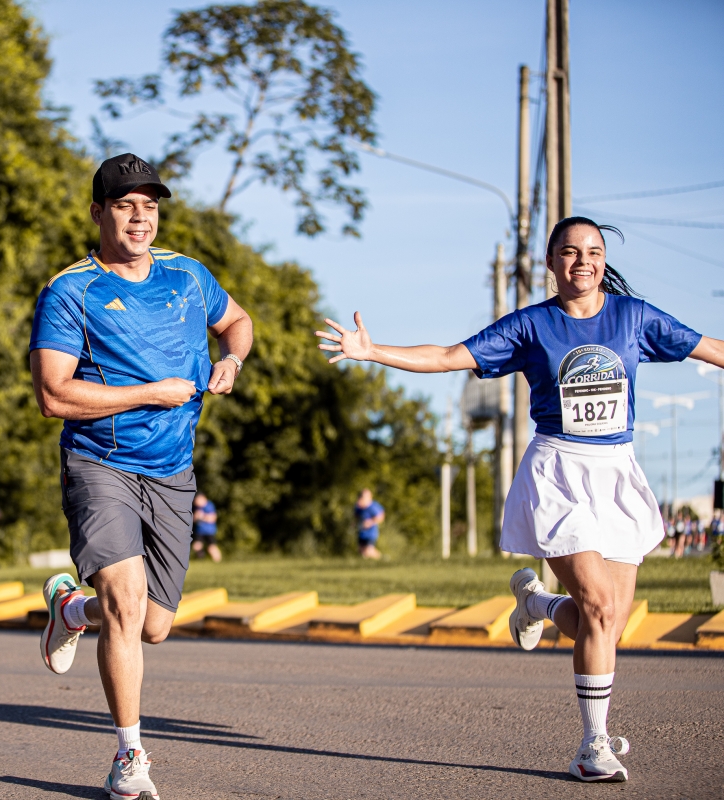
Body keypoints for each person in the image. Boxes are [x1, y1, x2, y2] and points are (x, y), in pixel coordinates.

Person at [317, 216, 723, 783]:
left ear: (604, 260)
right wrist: (373, 350)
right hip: (559, 471)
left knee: (606, 625)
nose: (583, 261)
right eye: (570, 252)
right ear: (551, 262)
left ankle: (537, 604)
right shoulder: (533, 325)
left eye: (594, 251)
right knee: (600, 609)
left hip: (617, 473)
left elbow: (709, 347)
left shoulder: (634, 318)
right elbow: (449, 356)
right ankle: (593, 745)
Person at [29, 153, 252, 799]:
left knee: (152, 625)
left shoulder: (188, 275)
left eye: (149, 206)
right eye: (125, 205)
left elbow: (238, 322)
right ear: (98, 212)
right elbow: (53, 395)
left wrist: (232, 360)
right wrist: (149, 393)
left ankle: (71, 608)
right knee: (126, 606)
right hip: (101, 464)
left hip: (172, 471)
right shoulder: (71, 291)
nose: (139, 218)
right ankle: (129, 757)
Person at [353, 488, 385, 560]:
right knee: (361, 551)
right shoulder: (359, 507)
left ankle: (382, 558)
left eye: (363, 497)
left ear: (369, 497)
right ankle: (372, 562)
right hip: (361, 532)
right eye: (360, 496)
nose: (361, 498)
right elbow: (356, 516)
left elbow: (381, 517)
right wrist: (355, 523)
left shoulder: (373, 506)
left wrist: (370, 522)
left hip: (371, 533)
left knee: (368, 551)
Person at [191, 493, 222, 562]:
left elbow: (213, 518)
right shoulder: (196, 507)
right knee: (196, 546)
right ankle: (201, 559)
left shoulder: (209, 505)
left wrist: (202, 517)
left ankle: (218, 561)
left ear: (203, 498)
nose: (196, 502)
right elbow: (193, 519)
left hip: (209, 531)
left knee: (211, 548)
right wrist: (195, 517)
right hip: (199, 531)